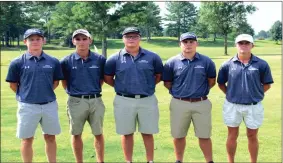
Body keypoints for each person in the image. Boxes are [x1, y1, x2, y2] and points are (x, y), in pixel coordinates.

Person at [104, 27, 163, 163]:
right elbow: (108, 78)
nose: (131, 39)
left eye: (134, 36)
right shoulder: (115, 58)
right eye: (128, 36)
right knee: (126, 133)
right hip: (123, 100)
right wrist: (121, 87)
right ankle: (128, 161)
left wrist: (147, 86)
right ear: (123, 39)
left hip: (147, 99)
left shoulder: (152, 57)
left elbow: (158, 76)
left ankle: (150, 161)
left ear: (139, 38)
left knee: (148, 133)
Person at [6, 28, 64, 162]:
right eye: (31, 39)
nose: (35, 42)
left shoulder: (53, 61)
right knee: (27, 139)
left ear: (43, 40)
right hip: (27, 106)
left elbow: (56, 82)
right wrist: (27, 94)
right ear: (25, 41)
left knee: (50, 137)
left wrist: (44, 92)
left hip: (49, 105)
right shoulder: (17, 62)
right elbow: (13, 85)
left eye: (38, 39)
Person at [217, 34, 273, 163]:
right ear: (236, 45)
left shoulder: (262, 64)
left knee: (252, 135)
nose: (243, 45)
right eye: (240, 43)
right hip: (232, 105)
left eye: (247, 43)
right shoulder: (227, 64)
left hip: (253, 105)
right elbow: (221, 83)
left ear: (252, 45)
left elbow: (267, 84)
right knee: (232, 135)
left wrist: (255, 94)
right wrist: (231, 94)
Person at [162, 32, 216, 163]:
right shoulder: (171, 62)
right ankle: (179, 160)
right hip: (179, 103)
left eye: (191, 41)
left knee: (204, 136)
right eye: (185, 42)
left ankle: (209, 161)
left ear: (197, 43)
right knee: (178, 135)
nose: (188, 45)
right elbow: (167, 83)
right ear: (180, 44)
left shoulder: (206, 61)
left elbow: (212, 81)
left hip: (201, 103)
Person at [60, 29, 106, 163]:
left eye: (84, 39)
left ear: (90, 41)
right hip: (75, 101)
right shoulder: (66, 61)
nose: (81, 42)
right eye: (78, 39)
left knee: (98, 133)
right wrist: (75, 93)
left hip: (96, 100)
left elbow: (102, 79)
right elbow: (64, 82)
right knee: (76, 134)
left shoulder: (100, 59)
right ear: (73, 41)